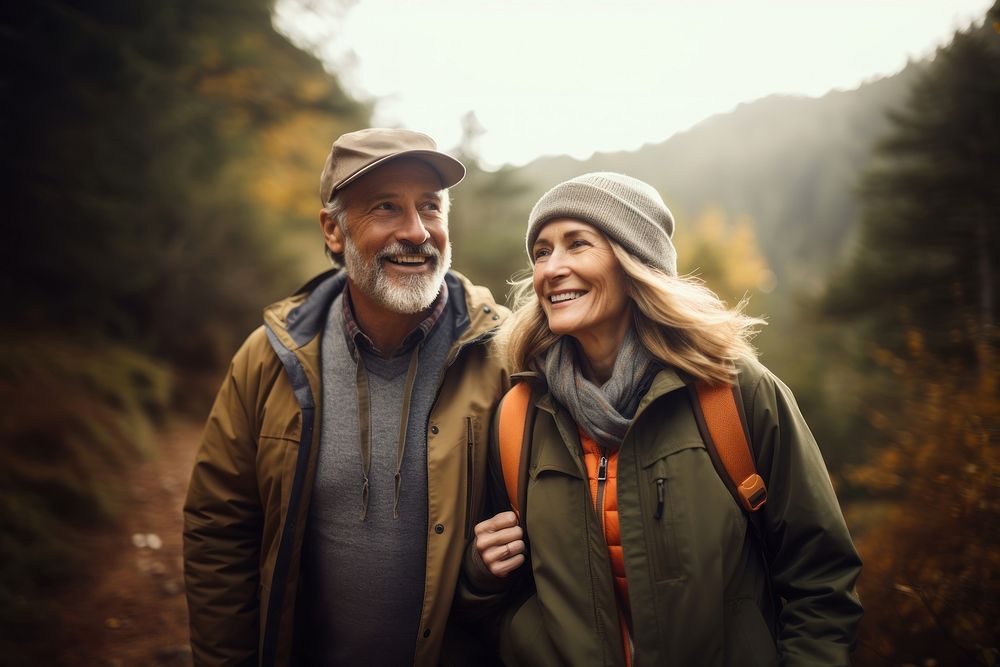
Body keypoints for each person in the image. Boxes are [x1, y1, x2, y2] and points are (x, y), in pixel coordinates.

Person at [461, 173, 863, 665]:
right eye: (542, 251)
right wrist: (481, 575)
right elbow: (495, 604)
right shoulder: (520, 417)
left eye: (577, 244)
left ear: (635, 261)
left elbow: (821, 582)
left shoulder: (733, 393)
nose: (552, 268)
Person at [183, 128, 510, 666]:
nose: (416, 232)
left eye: (430, 208)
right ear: (333, 230)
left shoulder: (506, 355)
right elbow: (219, 530)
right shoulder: (269, 357)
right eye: (386, 207)